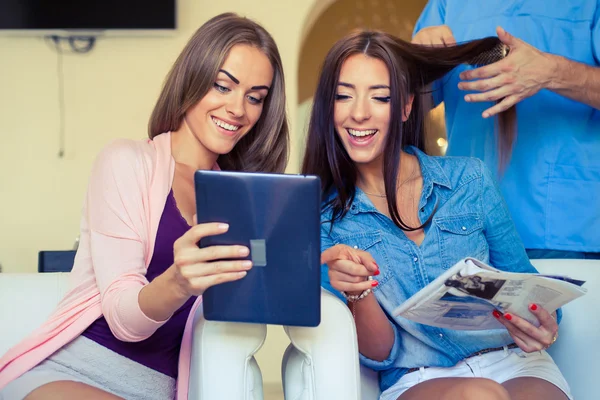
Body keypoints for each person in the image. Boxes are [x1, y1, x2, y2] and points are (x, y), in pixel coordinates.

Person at [0, 12, 289, 400]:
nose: (238, 109)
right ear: (193, 78)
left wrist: (310, 266)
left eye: (255, 97)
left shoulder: (242, 201)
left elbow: (258, 303)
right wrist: (178, 282)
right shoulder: (125, 161)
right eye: (223, 86)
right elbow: (124, 321)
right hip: (72, 374)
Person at [303, 30, 571, 400]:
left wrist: (545, 323)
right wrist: (358, 293)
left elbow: (526, 283)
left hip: (513, 361)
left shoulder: (469, 179)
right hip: (418, 378)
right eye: (343, 96)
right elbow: (381, 354)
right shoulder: (324, 219)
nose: (359, 112)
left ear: (405, 107)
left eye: (380, 97)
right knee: (480, 396)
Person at [412, 0, 600, 259]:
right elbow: (410, 110)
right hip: (466, 229)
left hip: (565, 229)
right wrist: (418, 65)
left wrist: (552, 72)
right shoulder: (446, 5)